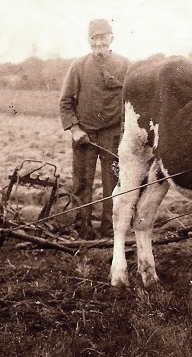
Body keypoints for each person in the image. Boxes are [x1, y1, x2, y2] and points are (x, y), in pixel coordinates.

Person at [59, 19, 130, 238]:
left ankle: (110, 228)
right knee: (82, 183)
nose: (99, 44)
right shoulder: (78, 66)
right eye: (94, 39)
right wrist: (74, 129)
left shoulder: (126, 65)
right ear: (89, 41)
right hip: (85, 135)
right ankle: (83, 230)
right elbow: (65, 102)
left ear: (112, 38)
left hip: (114, 135)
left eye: (103, 39)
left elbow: (133, 101)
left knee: (115, 184)